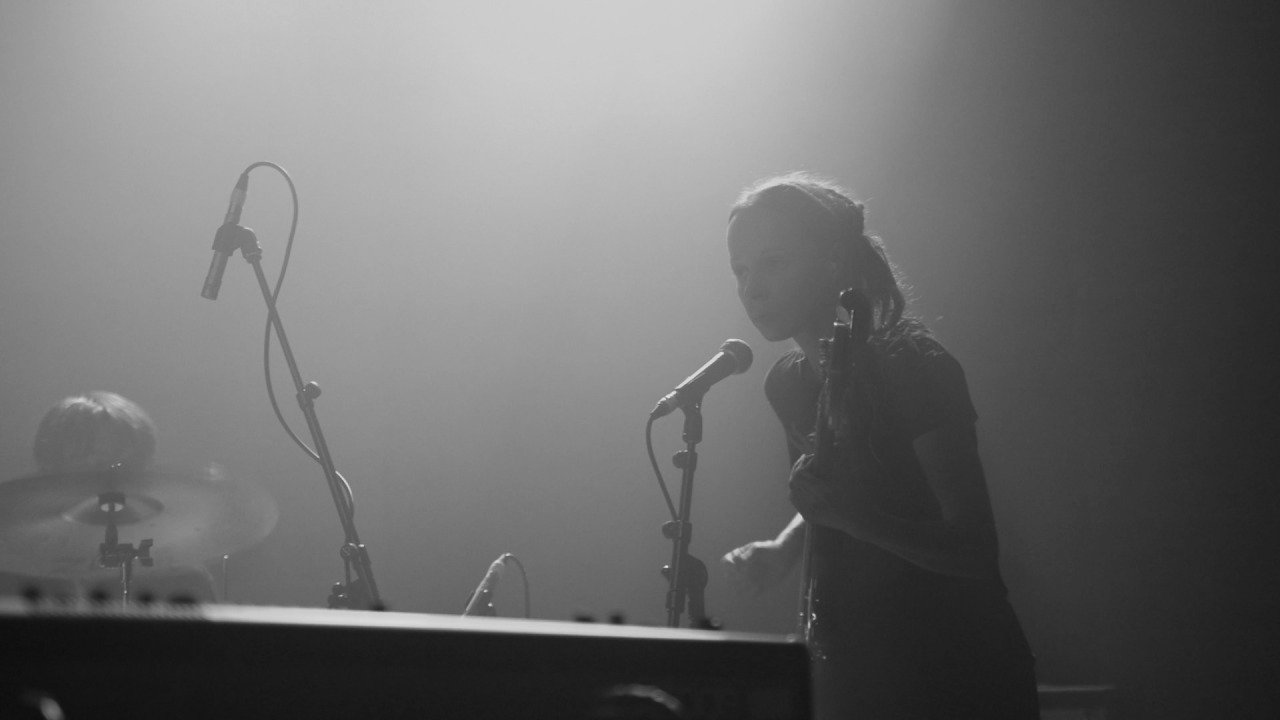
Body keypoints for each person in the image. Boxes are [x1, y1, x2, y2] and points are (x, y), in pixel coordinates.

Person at [720, 173, 1039, 719]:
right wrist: (786, 546)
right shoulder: (788, 385)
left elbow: (974, 548)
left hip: (957, 668)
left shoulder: (912, 366)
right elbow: (834, 487)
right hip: (862, 670)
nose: (753, 288)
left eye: (773, 263)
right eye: (741, 270)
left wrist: (855, 519)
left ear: (832, 263)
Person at [1, 392, 217, 603]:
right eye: (88, 457)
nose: (106, 474)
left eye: (121, 462)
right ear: (50, 464)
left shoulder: (181, 579)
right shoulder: (12, 567)